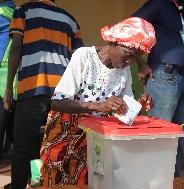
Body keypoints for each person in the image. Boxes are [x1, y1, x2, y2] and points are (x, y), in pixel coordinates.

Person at [40, 17, 156, 186]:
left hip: (94, 139)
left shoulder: (123, 70)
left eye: (135, 58)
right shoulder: (84, 56)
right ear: (114, 43)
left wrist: (138, 105)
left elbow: (123, 114)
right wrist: (98, 106)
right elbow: (57, 102)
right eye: (128, 55)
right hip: (63, 133)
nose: (129, 62)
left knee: (86, 182)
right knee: (54, 182)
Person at [3, 0, 84, 188]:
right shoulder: (70, 20)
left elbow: (16, 47)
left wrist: (9, 87)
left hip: (34, 86)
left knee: (23, 146)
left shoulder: (23, 11)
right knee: (59, 145)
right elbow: (78, 58)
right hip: (63, 92)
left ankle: (18, 185)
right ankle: (49, 183)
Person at [132, 0, 184, 177]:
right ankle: (151, 181)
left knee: (180, 138)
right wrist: (141, 63)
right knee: (158, 137)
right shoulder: (159, 4)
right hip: (164, 77)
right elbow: (130, 25)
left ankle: (172, 181)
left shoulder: (182, 9)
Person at [0, 0, 15, 159]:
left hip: (3, 83)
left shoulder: (3, 13)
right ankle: (36, 176)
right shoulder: (14, 13)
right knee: (19, 136)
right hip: (13, 84)